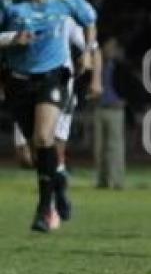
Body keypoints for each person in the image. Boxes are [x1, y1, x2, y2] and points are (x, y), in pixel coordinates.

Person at [0, 0, 99, 232]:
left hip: (53, 76)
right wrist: (12, 39)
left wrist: (89, 51)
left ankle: (44, 210)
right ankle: (59, 184)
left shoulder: (67, 0)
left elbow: (90, 20)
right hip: (18, 80)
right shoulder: (9, 3)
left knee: (45, 137)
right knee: (35, 152)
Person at [11, 17, 100, 228]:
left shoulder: (63, 18)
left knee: (51, 144)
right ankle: (58, 186)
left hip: (57, 88)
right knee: (30, 156)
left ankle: (47, 209)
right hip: (22, 88)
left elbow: (93, 48)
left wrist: (95, 78)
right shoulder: (14, 14)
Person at [94, 36, 131, 190]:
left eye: (112, 47)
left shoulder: (121, 67)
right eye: (108, 46)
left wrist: (125, 99)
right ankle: (103, 181)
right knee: (99, 147)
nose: (110, 50)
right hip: (99, 108)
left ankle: (117, 181)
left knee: (115, 147)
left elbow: (133, 85)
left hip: (115, 109)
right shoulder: (97, 65)